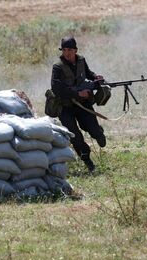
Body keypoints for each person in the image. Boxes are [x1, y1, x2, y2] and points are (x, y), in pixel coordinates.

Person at [50, 36, 105, 173]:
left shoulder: (81, 60)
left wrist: (96, 78)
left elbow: (87, 73)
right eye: (64, 50)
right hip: (65, 107)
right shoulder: (57, 67)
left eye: (70, 50)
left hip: (83, 104)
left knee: (93, 128)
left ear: (75, 50)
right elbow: (57, 88)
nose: (67, 53)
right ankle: (87, 161)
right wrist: (77, 94)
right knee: (75, 136)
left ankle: (99, 134)